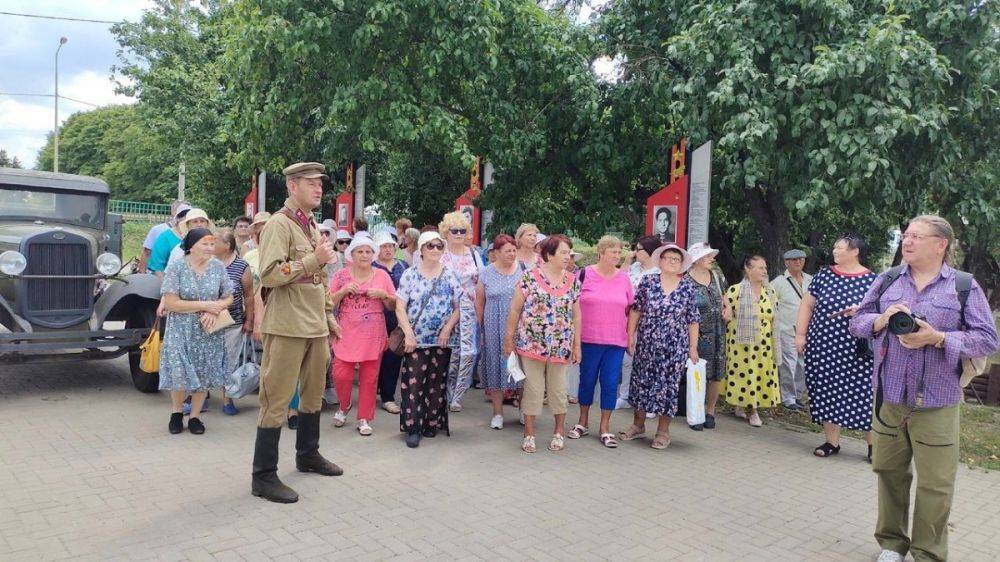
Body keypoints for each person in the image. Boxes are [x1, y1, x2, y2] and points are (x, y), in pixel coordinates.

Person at [850, 215, 998, 562]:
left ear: (940, 244)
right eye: (905, 235)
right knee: (888, 474)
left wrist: (939, 337)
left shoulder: (963, 286)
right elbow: (859, 321)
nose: (908, 241)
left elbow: (988, 339)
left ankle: (928, 552)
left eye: (916, 236)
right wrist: (882, 319)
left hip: (937, 402)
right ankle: (891, 545)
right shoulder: (889, 280)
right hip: (891, 398)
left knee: (936, 484)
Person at [251, 162, 344, 504]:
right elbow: (270, 274)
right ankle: (263, 476)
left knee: (313, 394)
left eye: (320, 184)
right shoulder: (279, 224)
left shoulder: (311, 225)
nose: (319, 189)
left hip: (314, 325)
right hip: (288, 324)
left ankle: (308, 455)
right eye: (310, 183)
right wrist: (312, 260)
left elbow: (320, 279)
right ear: (292, 186)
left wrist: (329, 315)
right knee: (276, 398)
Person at [795, 235, 877, 459]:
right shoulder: (824, 275)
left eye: (840, 248)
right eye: (835, 247)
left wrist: (860, 312)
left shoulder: (873, 280)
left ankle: (873, 447)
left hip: (858, 350)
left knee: (864, 395)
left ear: (855, 251)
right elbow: (807, 304)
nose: (835, 251)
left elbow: (881, 315)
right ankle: (832, 442)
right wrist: (800, 335)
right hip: (823, 345)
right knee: (825, 390)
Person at [504, 234, 582, 454]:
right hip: (531, 346)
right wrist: (508, 339)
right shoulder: (530, 277)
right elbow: (515, 309)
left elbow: (576, 316)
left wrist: (577, 346)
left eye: (569, 252)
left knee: (558, 390)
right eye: (563, 252)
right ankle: (529, 434)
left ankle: (558, 432)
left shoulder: (573, 280)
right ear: (549, 254)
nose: (568, 257)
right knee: (533, 390)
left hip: (561, 345)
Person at [617, 244, 699, 449]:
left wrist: (693, 347)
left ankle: (663, 431)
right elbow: (636, 311)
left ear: (681, 264)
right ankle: (638, 425)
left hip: (674, 348)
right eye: (668, 258)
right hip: (647, 344)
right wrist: (630, 336)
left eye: (676, 259)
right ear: (660, 261)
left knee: (667, 388)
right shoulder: (648, 282)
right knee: (641, 384)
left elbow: (693, 320)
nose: (672, 261)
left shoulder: (688, 287)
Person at [158, 228, 233, 435]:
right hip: (180, 329)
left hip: (208, 329)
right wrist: (206, 305)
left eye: (212, 244)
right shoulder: (177, 267)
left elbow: (229, 296)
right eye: (205, 244)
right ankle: (176, 412)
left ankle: (195, 417)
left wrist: (216, 308)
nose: (211, 248)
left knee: (203, 371)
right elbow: (172, 303)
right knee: (179, 370)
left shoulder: (218, 267)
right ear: (191, 246)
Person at [396, 231, 462, 448]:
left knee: (436, 382)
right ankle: (413, 427)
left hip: (442, 340)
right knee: (413, 383)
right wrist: (408, 333)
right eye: (430, 246)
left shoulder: (450, 274)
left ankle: (432, 423)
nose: (435, 250)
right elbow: (400, 307)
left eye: (439, 246)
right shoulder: (410, 275)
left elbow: (458, 307)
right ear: (421, 249)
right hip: (416, 340)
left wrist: (447, 329)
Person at [568, 236, 633, 448]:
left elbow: (631, 309)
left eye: (619, 252)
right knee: (586, 381)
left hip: (615, 341)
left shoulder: (624, 278)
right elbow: (571, 304)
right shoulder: (584, 274)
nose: (617, 255)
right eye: (613, 251)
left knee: (610, 383)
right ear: (601, 252)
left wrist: (630, 335)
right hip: (588, 338)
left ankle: (605, 427)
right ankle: (582, 421)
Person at [328, 235, 397, 436]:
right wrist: (342, 291)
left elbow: (394, 304)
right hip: (345, 332)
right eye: (360, 251)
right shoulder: (341, 275)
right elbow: (328, 302)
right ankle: (344, 404)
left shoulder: (382, 275)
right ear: (352, 254)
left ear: (373, 254)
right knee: (341, 374)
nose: (364, 255)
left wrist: (383, 295)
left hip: (373, 334)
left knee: (369, 378)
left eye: (368, 251)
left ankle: (364, 417)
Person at [724, 254, 780, 427]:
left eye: (765, 267)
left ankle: (741, 405)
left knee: (758, 375)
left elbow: (774, 317)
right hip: (742, 345)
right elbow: (726, 314)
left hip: (764, 344)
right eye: (760, 267)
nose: (764, 271)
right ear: (748, 269)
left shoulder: (770, 292)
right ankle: (752, 410)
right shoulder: (736, 290)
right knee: (745, 374)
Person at [475, 234, 524, 429]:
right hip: (493, 327)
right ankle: (497, 413)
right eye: (507, 251)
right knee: (495, 368)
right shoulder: (486, 273)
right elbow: (479, 302)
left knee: (519, 369)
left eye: (514, 250)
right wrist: (482, 329)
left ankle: (523, 409)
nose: (511, 254)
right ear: (496, 253)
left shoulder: (523, 271)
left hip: (519, 327)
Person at [438, 211, 485, 412]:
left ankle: (457, 394)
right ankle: (444, 392)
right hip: (445, 309)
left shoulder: (473, 253)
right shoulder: (439, 253)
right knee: (448, 352)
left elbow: (482, 281)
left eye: (462, 230)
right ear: (446, 233)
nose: (458, 234)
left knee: (468, 352)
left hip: (469, 310)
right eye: (454, 230)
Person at [684, 242, 730, 430]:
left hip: (718, 333)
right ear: (696, 260)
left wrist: (728, 310)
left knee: (716, 374)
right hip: (698, 335)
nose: (712, 258)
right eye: (708, 256)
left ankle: (710, 411)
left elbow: (725, 300)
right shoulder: (685, 281)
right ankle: (696, 412)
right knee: (697, 375)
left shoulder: (717, 277)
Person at [619, 235, 663, 410]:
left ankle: (649, 401)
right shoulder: (634, 267)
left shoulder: (659, 272)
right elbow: (617, 281)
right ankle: (625, 394)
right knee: (627, 359)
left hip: (649, 321)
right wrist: (626, 262)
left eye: (639, 249)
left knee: (648, 361)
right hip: (627, 318)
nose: (635, 252)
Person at [214, 228, 254, 416]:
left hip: (233, 322)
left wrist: (250, 320)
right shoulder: (208, 263)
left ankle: (227, 398)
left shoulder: (241, 266)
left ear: (227, 246)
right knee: (206, 358)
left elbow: (249, 295)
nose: (211, 245)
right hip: (208, 320)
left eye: (215, 242)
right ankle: (199, 395)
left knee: (228, 361)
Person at [771, 249, 812, 411]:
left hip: (807, 329)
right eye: (794, 260)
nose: (798, 262)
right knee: (789, 364)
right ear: (786, 262)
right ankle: (788, 397)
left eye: (801, 259)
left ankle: (798, 395)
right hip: (786, 329)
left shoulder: (811, 280)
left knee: (803, 364)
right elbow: (771, 304)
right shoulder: (779, 282)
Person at [372, 231, 407, 415]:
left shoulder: (403, 265)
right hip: (374, 320)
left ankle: (387, 396)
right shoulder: (371, 267)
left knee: (393, 358)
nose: (388, 249)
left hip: (398, 320)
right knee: (373, 359)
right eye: (384, 246)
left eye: (390, 246)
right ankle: (371, 393)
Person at [139, 200, 187, 273]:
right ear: (173, 211)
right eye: (181, 211)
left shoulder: (192, 232)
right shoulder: (158, 230)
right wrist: (142, 273)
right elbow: (147, 252)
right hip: (158, 274)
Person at [147, 206, 191, 276]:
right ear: (178, 218)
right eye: (184, 216)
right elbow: (157, 266)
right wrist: (165, 285)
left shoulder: (196, 236)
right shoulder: (165, 237)